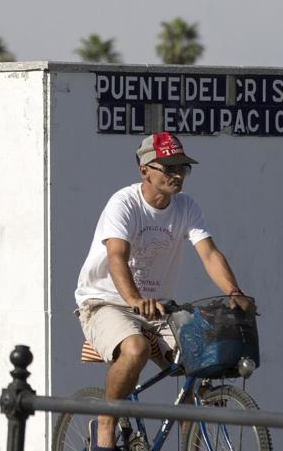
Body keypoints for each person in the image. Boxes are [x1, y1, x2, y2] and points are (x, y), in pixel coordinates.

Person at [74, 132, 245, 451]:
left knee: (200, 359)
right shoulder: (123, 203)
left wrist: (234, 291)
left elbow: (208, 253)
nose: (178, 174)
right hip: (106, 302)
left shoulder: (186, 207)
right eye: (169, 168)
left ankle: (190, 441)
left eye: (182, 167)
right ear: (144, 170)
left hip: (158, 308)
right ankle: (106, 422)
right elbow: (116, 257)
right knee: (136, 349)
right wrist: (135, 300)